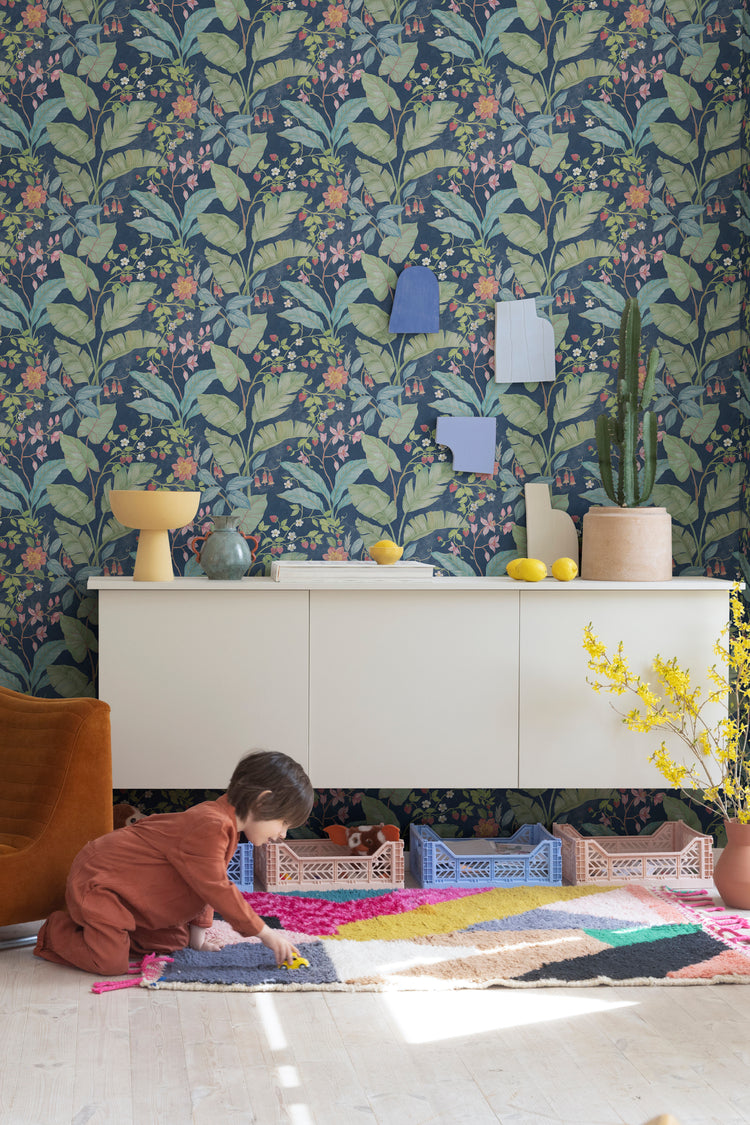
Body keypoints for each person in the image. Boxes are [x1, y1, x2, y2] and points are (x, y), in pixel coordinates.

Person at [34, 749, 314, 976]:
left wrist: (196, 937)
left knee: (175, 943)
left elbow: (202, 887)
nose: (282, 834)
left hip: (131, 897)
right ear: (262, 803)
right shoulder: (212, 824)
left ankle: (112, 932)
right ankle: (55, 931)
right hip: (100, 882)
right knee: (109, 963)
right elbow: (216, 888)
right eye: (284, 822)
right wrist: (266, 934)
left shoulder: (225, 827)